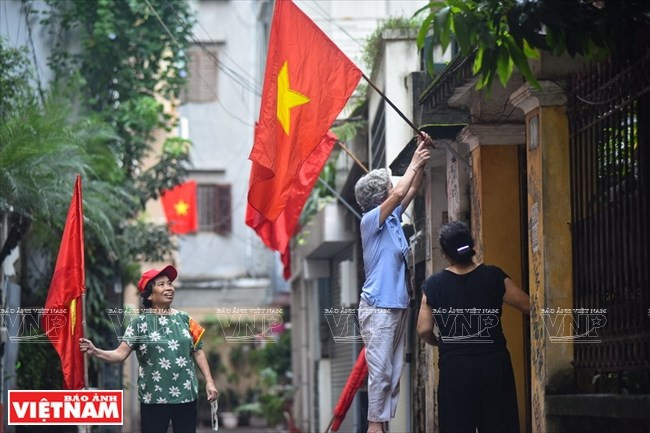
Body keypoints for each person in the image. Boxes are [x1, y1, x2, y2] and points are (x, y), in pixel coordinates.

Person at [417, 221, 530, 433]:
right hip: (494, 366)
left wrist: (440, 341)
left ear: (444, 253)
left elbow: (424, 329)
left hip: (455, 369)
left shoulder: (434, 285)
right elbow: (528, 306)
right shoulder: (494, 276)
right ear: (472, 244)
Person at [354, 133, 433, 433]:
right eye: (389, 184)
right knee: (381, 370)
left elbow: (411, 188)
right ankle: (375, 426)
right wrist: (412, 160)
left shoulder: (390, 219)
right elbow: (399, 193)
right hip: (378, 308)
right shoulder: (370, 221)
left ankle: (381, 423)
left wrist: (421, 153)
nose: (393, 185)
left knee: (394, 370)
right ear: (381, 196)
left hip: (397, 305)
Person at [79, 265, 218, 433]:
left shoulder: (185, 319)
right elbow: (119, 354)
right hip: (154, 398)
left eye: (169, 284)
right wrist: (95, 351)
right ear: (150, 295)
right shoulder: (139, 324)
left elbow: (198, 350)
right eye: (161, 284)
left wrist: (209, 381)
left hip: (186, 396)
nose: (169, 288)